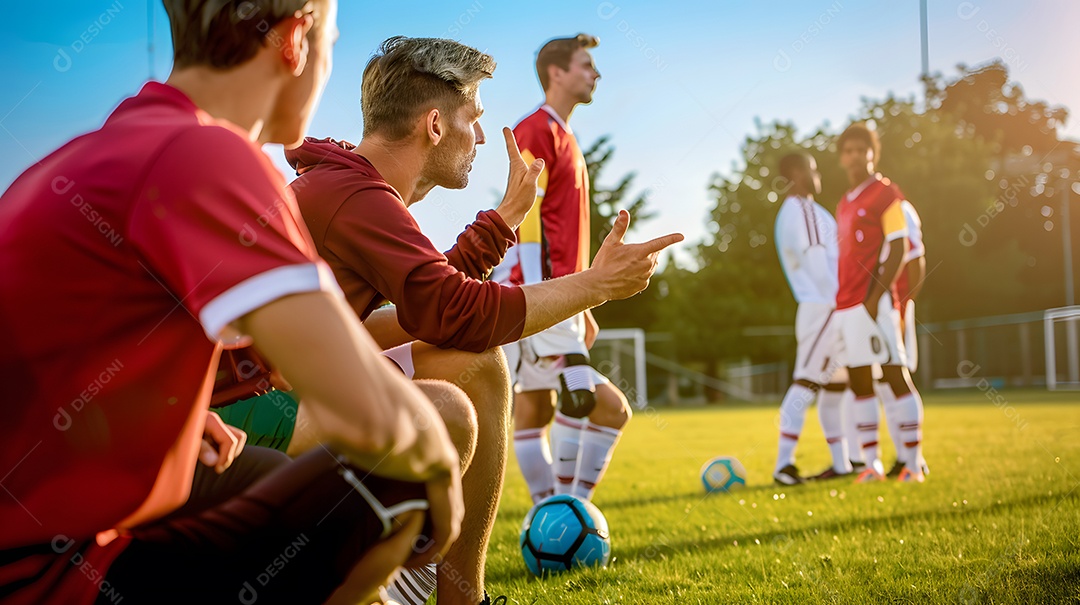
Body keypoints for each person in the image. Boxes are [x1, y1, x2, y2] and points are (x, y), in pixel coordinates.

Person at [0, 2, 465, 604]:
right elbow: (369, 412)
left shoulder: (80, 158)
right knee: (405, 476)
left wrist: (177, 422)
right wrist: (440, 481)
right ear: (296, 39)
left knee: (262, 477)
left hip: (37, 539)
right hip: (51, 579)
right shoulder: (206, 151)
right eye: (332, 41)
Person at [281, 36, 684, 605]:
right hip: (253, 412)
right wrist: (594, 285)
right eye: (474, 119)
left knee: (466, 359)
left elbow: (429, 299)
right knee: (473, 362)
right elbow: (455, 311)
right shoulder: (358, 196)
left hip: (286, 387)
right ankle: (435, 585)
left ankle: (447, 586)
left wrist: (504, 220)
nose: (480, 138)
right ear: (436, 125)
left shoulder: (350, 187)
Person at [492, 33, 633, 506]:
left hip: (559, 296)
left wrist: (584, 302)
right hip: (542, 291)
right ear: (557, 72)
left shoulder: (566, 135)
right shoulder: (537, 128)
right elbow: (526, 216)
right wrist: (546, 298)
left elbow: (566, 233)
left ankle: (548, 513)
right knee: (595, 403)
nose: (595, 73)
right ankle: (571, 511)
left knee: (534, 411)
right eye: (585, 64)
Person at [833, 123, 926, 483]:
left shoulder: (887, 195)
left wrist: (875, 299)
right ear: (842, 158)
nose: (856, 156)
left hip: (876, 303)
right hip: (846, 306)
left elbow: (901, 247)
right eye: (849, 150)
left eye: (862, 149)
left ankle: (913, 464)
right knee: (860, 382)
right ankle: (871, 465)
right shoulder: (845, 201)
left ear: (873, 153)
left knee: (894, 376)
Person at [771, 152, 852, 485]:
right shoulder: (801, 210)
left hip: (826, 307)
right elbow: (818, 263)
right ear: (796, 173)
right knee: (804, 383)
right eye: (813, 169)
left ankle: (843, 464)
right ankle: (783, 466)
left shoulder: (805, 210)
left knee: (837, 387)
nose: (818, 175)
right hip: (824, 307)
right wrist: (842, 302)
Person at [878, 200, 929, 477]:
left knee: (898, 377)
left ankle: (915, 460)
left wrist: (906, 304)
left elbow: (915, 259)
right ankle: (902, 457)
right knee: (883, 383)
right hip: (875, 308)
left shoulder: (898, 207)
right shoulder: (860, 206)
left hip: (894, 306)